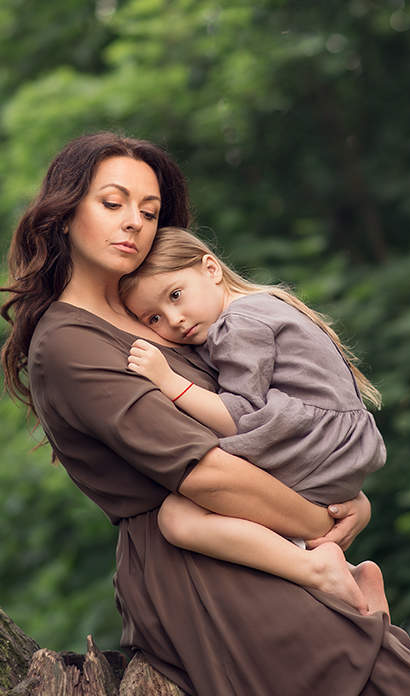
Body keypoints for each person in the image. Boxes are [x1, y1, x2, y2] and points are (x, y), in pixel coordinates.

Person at [0, 131, 410, 696]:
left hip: (267, 542)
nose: (134, 224)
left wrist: (343, 495)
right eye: (113, 203)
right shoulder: (70, 343)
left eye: (149, 212)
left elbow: (265, 415)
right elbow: (203, 472)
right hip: (206, 567)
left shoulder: (161, 310)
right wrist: (321, 526)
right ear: (66, 210)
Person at [119, 227, 390, 615]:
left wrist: (168, 381)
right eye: (154, 317)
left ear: (210, 269)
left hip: (315, 444)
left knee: (178, 516)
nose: (174, 320)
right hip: (337, 450)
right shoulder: (266, 304)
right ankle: (352, 576)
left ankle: (318, 567)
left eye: (176, 295)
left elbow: (240, 416)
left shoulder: (239, 324)